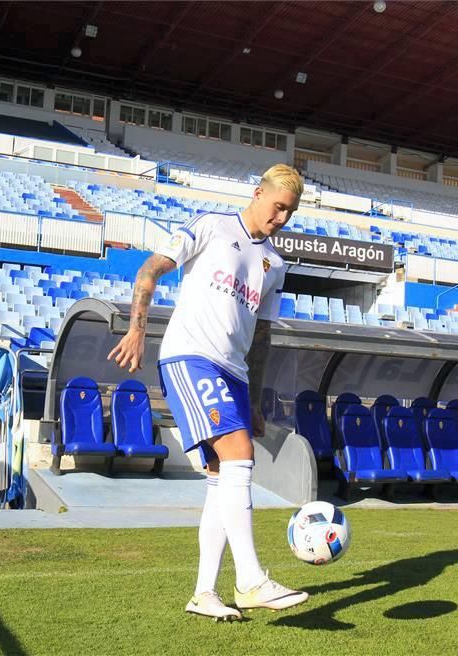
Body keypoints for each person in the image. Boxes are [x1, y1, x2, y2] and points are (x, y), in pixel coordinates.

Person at [107, 164, 308, 621]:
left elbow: (261, 337)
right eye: (278, 207)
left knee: (221, 478)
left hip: (234, 374)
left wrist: (254, 399)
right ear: (258, 193)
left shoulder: (275, 265)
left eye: (290, 213)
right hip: (190, 357)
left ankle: (203, 593)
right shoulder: (211, 227)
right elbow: (150, 270)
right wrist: (139, 329)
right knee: (240, 456)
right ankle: (252, 580)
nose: (282, 218)